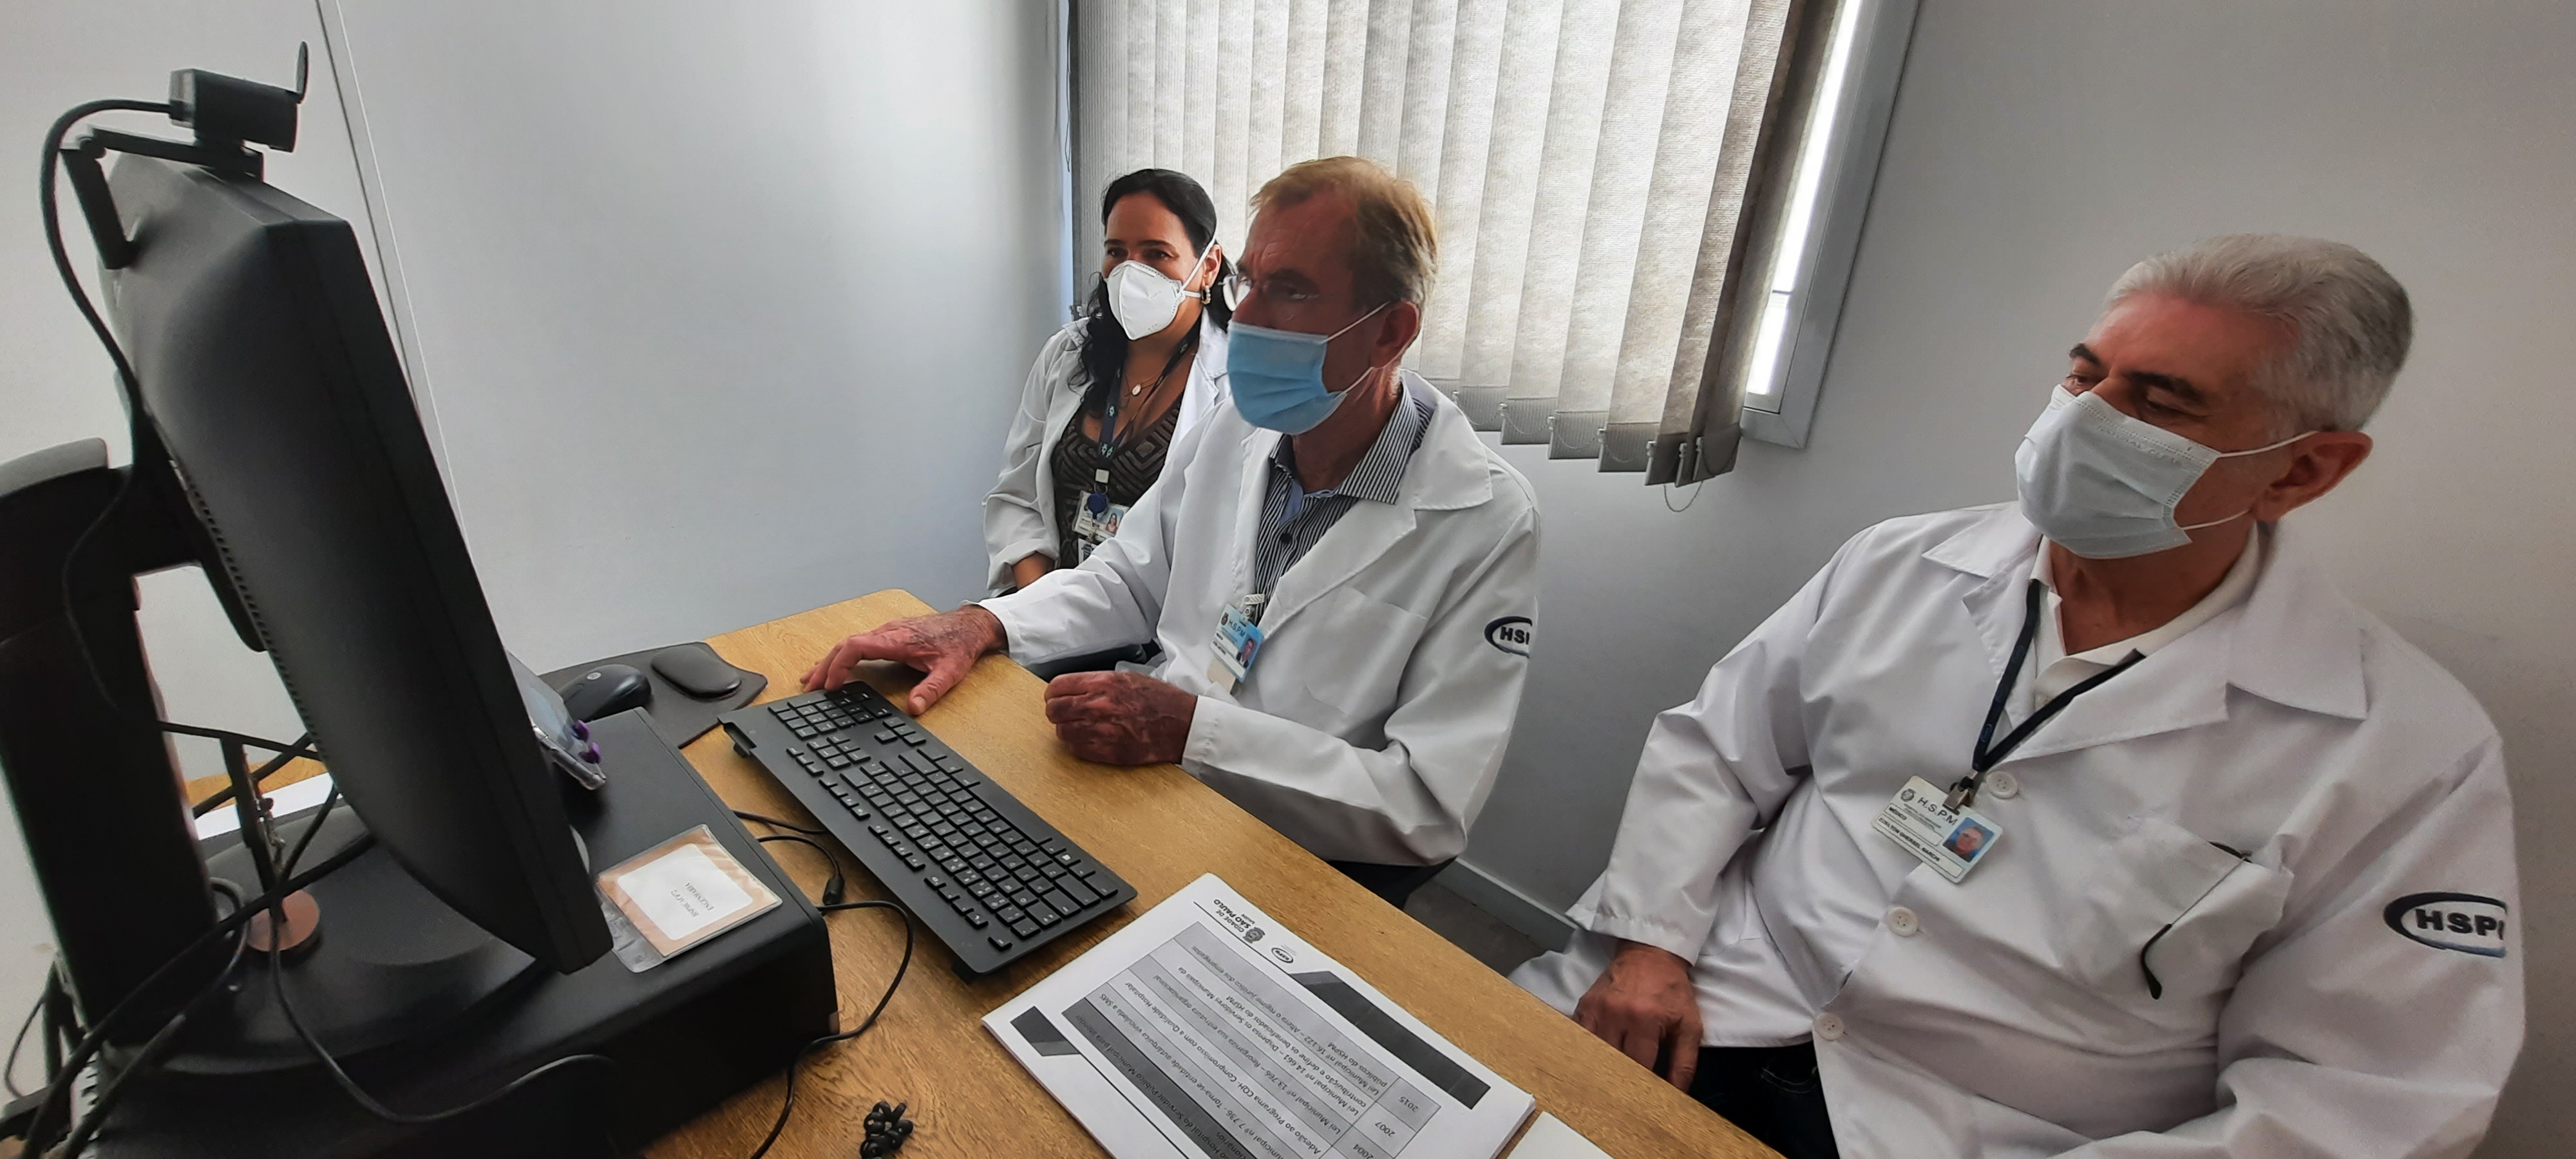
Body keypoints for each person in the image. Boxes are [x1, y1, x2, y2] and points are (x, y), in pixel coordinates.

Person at [1512, 235, 2522, 1158]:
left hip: (1981, 1132)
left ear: (2303, 470)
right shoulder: (1902, 563)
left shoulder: (2401, 750)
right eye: (2085, 375)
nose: (2085, 420)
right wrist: (1651, 944)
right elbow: (1717, 752)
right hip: (1709, 1000)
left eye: (2160, 404)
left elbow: (2364, 1101)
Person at [807, 157, 1540, 906]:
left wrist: (1193, 732)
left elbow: (1426, 807)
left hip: (1298, 864)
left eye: (1289, 290)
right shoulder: (1240, 428)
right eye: (1250, 281)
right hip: (1156, 796)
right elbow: (1129, 576)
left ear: (1390, 332)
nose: (1247, 316)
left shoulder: (1483, 519)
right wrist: (980, 623)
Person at [983, 169, 1233, 594]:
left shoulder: (1234, 383)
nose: (1131, 272)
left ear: (1207, 267)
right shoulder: (1068, 354)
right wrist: (1039, 603)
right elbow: (1018, 495)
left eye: (1156, 254)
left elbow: (1224, 549)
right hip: (1040, 607)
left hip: (1156, 638)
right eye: (1117, 251)